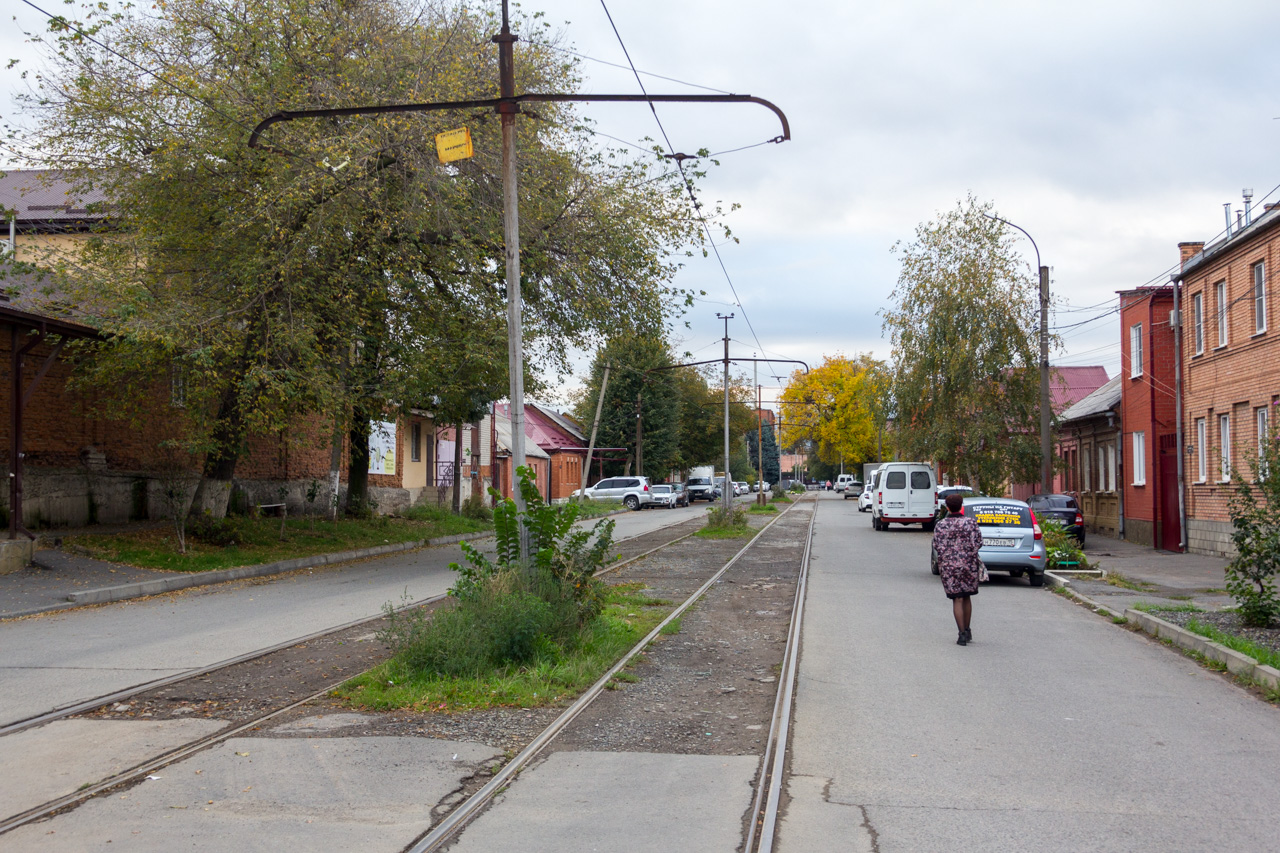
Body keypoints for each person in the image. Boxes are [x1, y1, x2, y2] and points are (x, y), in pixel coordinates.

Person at [931, 491, 983, 645]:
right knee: (967, 595)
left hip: (949, 566)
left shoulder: (941, 525)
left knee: (957, 598)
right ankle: (967, 630)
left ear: (947, 507)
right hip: (968, 564)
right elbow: (978, 542)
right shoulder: (970, 523)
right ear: (961, 507)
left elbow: (937, 545)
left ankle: (961, 633)